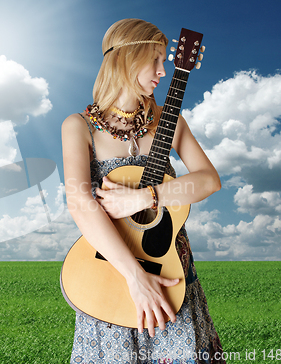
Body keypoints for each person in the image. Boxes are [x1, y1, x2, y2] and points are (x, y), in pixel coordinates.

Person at [61, 19, 225, 363]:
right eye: (155, 59)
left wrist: (144, 198)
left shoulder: (170, 121)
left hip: (168, 268)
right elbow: (79, 202)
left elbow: (209, 180)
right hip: (109, 272)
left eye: (166, 60)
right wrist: (135, 278)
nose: (163, 71)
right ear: (126, 58)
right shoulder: (78, 127)